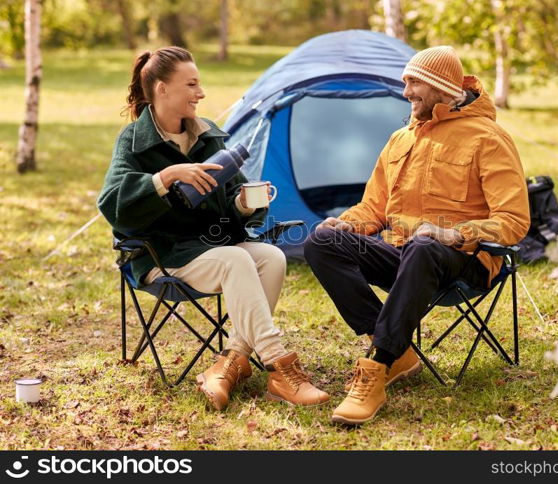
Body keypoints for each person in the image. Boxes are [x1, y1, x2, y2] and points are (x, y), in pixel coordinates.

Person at [304, 46, 530, 425]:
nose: (405, 91)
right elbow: (373, 209)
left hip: (466, 263)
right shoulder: (399, 140)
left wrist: (455, 234)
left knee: (426, 244)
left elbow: (513, 220)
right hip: (407, 258)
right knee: (322, 241)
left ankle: (379, 363)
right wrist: (346, 224)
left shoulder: (488, 138)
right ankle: (398, 349)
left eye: (413, 82)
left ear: (442, 87)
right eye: (405, 82)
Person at [98, 46, 329, 411]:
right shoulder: (133, 141)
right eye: (191, 84)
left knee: (271, 257)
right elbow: (111, 203)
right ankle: (281, 366)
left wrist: (243, 204)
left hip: (209, 247)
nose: (200, 93)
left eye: (199, 84)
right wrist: (166, 177)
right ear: (162, 89)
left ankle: (230, 363)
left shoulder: (210, 138)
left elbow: (234, 203)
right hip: (163, 254)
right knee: (234, 260)